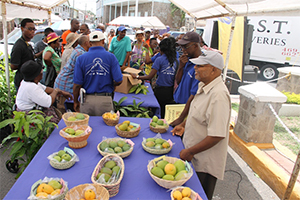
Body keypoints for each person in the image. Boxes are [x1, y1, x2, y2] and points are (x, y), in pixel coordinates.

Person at [171, 51, 231, 200]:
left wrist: (190, 152)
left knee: (198, 195)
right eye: (196, 65)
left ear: (214, 70)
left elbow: (217, 135)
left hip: (204, 163)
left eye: (201, 66)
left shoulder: (219, 95)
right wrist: (184, 125)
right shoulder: (203, 85)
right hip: (193, 155)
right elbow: (198, 114)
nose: (196, 68)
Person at [73, 31, 123, 116]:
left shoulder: (81, 58)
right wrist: (110, 83)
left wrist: (75, 101)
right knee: (106, 127)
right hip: (105, 100)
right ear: (103, 41)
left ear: (90, 43)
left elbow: (77, 84)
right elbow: (119, 80)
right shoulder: (111, 57)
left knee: (86, 127)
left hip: (87, 100)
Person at [131, 37, 178, 118]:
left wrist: (138, 77)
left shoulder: (160, 59)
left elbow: (150, 76)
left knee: (156, 112)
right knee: (166, 113)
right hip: (171, 91)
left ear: (162, 49)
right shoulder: (177, 61)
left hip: (160, 90)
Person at [170, 32, 202, 127]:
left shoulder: (201, 66)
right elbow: (179, 81)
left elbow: (193, 96)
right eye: (181, 47)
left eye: (185, 47)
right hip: (178, 105)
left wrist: (181, 118)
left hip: (187, 110)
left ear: (196, 46)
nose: (183, 50)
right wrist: (181, 67)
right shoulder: (188, 60)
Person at [54, 35, 90, 113]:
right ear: (87, 43)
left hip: (63, 83)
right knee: (65, 114)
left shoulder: (78, 50)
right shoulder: (80, 54)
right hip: (65, 87)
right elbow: (81, 77)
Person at [10, 18, 36, 91]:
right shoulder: (19, 46)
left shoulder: (27, 44)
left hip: (29, 80)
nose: (32, 32)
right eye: (30, 29)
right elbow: (13, 66)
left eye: (34, 29)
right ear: (22, 28)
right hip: (22, 81)